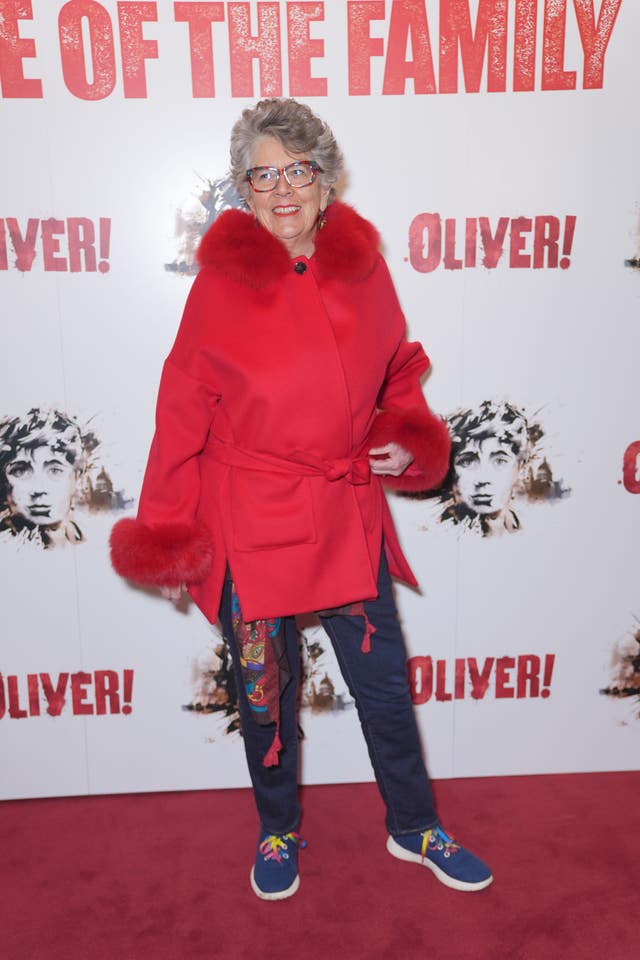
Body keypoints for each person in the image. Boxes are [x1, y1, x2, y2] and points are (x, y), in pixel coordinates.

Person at [111, 98, 492, 900]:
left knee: (383, 681)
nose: (282, 189)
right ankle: (278, 830)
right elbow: (179, 411)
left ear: (325, 180)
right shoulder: (217, 286)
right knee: (264, 693)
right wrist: (170, 531)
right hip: (248, 518)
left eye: (297, 170)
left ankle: (415, 826)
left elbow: (398, 369)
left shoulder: (365, 265)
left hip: (344, 510)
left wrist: (409, 434)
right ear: (242, 190)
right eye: (263, 174)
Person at [0, 408, 94, 548]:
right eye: (20, 471)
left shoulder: (90, 541)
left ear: (77, 477)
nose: (39, 489)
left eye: (55, 470)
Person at [439, 401, 530, 536]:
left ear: (521, 467)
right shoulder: (434, 533)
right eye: (467, 461)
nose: (483, 479)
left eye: (500, 461)